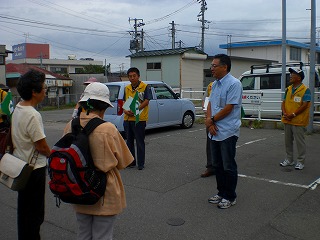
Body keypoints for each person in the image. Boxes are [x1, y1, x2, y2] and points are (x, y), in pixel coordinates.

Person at [63, 82, 134, 240]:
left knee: (83, 234)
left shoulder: (70, 126)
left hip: (79, 189)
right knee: (103, 236)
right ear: (104, 106)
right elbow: (124, 161)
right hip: (103, 192)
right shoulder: (108, 129)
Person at [11, 69, 51, 240]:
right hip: (34, 170)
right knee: (35, 214)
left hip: (20, 166)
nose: (45, 91)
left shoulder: (18, 108)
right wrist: (54, 155)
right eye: (43, 88)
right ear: (34, 92)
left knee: (24, 211)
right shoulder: (33, 115)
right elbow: (41, 146)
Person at [205, 54, 242, 209]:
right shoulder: (214, 84)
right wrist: (209, 122)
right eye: (211, 65)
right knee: (217, 165)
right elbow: (210, 104)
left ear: (224, 67)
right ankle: (221, 193)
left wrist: (212, 120)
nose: (211, 68)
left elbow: (229, 108)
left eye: (214, 66)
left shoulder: (234, 84)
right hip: (214, 131)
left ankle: (230, 196)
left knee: (228, 166)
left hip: (227, 131)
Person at [280, 68, 311, 170]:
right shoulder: (288, 89)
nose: (290, 76)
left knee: (299, 142)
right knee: (287, 141)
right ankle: (289, 159)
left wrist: (293, 114)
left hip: (298, 121)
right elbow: (283, 102)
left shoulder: (306, 90)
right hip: (287, 119)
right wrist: (284, 113)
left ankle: (301, 161)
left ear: (298, 77)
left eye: (292, 74)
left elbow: (305, 105)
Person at [123, 67, 152, 170]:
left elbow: (147, 101)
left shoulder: (145, 87)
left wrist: (135, 109)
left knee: (140, 142)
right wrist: (126, 111)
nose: (132, 78)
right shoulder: (127, 88)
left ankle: (141, 163)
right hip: (127, 119)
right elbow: (124, 101)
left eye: (134, 76)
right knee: (129, 142)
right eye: (130, 76)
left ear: (138, 76)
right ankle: (131, 162)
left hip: (139, 119)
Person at [201, 81, 215, 178]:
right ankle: (210, 167)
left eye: (215, 66)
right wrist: (208, 117)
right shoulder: (211, 85)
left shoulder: (232, 84)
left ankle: (221, 167)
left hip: (223, 121)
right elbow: (205, 100)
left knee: (223, 145)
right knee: (209, 144)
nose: (212, 69)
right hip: (210, 119)